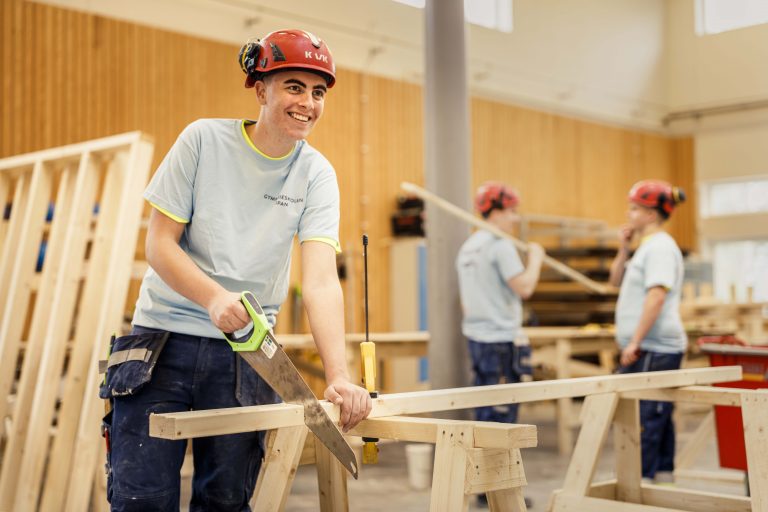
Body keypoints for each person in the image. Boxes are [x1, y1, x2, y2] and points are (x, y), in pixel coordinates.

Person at [100, 29, 372, 511]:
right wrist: (212, 298)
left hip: (246, 357)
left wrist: (338, 374)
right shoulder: (202, 140)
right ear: (260, 87)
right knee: (141, 501)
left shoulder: (317, 174)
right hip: (161, 344)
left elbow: (321, 281)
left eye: (318, 92)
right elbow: (159, 246)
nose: (307, 102)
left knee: (225, 502)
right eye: (293, 86)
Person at [609, 179, 687, 484]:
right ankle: (662, 483)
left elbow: (657, 296)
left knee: (643, 420)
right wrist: (623, 248)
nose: (628, 214)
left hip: (655, 347)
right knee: (657, 416)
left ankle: (637, 486)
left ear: (652, 214)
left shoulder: (661, 248)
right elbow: (615, 281)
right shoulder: (644, 248)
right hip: (648, 346)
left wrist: (636, 341)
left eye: (635, 209)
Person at [456, 182, 545, 424]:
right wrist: (536, 259)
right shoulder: (500, 244)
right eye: (512, 212)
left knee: (485, 406)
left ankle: (482, 461)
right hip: (501, 341)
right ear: (496, 212)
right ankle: (496, 462)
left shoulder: (468, 247)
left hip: (477, 338)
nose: (515, 219)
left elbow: (466, 302)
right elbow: (525, 288)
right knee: (502, 415)